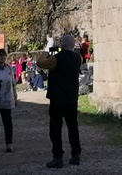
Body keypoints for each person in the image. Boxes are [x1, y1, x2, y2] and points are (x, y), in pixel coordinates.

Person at [44, 34, 83, 168]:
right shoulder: (78, 58)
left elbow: (41, 62)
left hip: (57, 97)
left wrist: (47, 51)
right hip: (71, 97)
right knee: (73, 127)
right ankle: (76, 154)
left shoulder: (56, 59)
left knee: (55, 128)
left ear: (61, 44)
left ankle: (58, 156)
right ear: (72, 45)